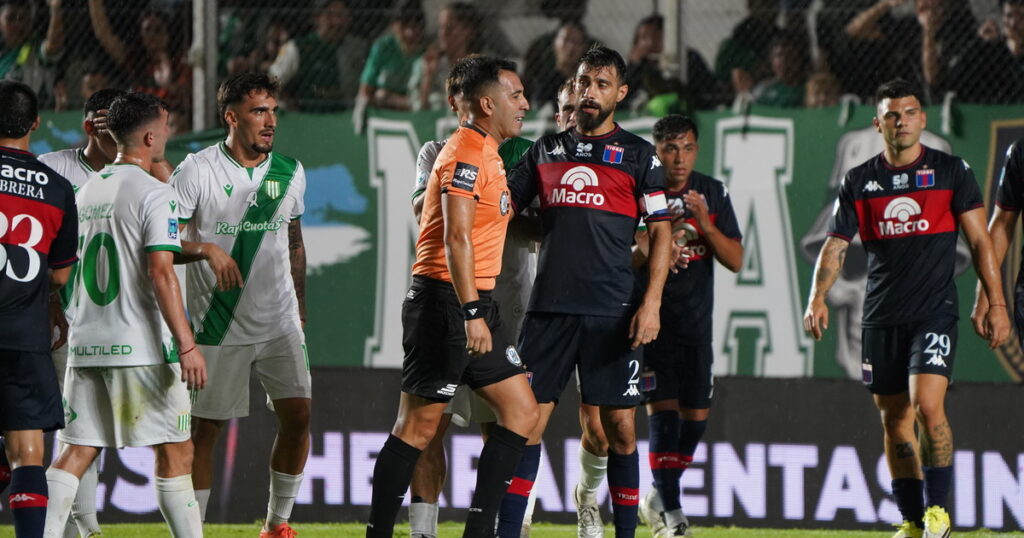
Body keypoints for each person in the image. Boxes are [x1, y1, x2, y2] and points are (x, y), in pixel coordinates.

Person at [803, 78, 1010, 538]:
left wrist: (996, 302)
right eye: (892, 115)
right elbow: (836, 245)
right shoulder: (859, 180)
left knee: (927, 406)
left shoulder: (952, 171)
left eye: (910, 112)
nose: (902, 122)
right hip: (880, 316)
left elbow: (980, 241)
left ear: (923, 118)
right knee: (894, 419)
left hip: (933, 312)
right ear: (878, 124)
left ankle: (939, 513)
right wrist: (817, 297)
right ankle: (912, 521)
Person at [505, 45, 674, 538]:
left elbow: (660, 231)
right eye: (583, 83)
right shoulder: (545, 150)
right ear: (573, 88)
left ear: (620, 93)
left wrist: (652, 303)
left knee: (619, 431)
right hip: (550, 310)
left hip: (613, 312)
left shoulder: (640, 156)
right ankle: (510, 530)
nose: (590, 92)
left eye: (601, 84)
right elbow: (503, 207)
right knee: (525, 424)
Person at [365, 55, 537, 538]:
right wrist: (472, 313)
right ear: (487, 103)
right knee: (416, 429)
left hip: (475, 304)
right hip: (447, 305)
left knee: (522, 411)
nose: (524, 104)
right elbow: (454, 238)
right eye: (515, 96)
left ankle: (479, 532)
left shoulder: (488, 152)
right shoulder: (464, 152)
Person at [42, 91, 206, 538]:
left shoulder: (83, 191)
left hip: (87, 344)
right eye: (167, 127)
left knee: (76, 451)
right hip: (142, 348)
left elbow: (65, 266)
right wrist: (186, 344)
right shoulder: (156, 194)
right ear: (151, 135)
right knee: (175, 450)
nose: (169, 135)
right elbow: (161, 273)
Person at [171, 72, 309, 538]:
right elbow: (161, 242)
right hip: (217, 323)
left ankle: (277, 526)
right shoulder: (197, 170)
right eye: (258, 111)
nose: (270, 121)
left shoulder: (290, 171)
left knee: (299, 417)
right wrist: (207, 250)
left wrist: (301, 310)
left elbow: (294, 242)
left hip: (279, 322)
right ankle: (194, 531)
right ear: (231, 116)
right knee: (204, 432)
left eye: (273, 110)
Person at [634, 115, 743, 538]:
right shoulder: (643, 190)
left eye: (687, 148)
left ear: (697, 149)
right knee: (663, 418)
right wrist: (662, 241)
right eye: (670, 149)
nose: (679, 158)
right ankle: (672, 515)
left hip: (698, 325)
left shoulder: (712, 192)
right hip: (653, 321)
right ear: (657, 150)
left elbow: (735, 260)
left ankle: (659, 496)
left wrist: (705, 224)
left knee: (695, 421)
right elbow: (628, 254)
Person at [37, 87, 124, 538]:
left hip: (104, 325)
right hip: (50, 322)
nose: (122, 133)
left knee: (87, 429)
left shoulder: (135, 175)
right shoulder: (51, 170)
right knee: (51, 428)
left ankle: (81, 529)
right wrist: (50, 303)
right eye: (113, 124)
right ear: (91, 126)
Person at [0, 79, 77, 538]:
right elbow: (62, 275)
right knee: (28, 451)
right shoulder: (56, 187)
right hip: (24, 335)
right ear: (35, 123)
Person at [269, 0, 369, 111]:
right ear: (317, 18)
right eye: (330, 15)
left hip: (347, 116)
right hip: (307, 116)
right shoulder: (296, 48)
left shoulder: (358, 48)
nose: (337, 22)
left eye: (341, 15)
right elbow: (272, 81)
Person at [408, 2, 487, 112]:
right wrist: (428, 77)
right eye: (441, 28)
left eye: (450, 28)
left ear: (468, 32)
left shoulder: (482, 68)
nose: (443, 33)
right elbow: (417, 108)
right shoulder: (427, 63)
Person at [358, 0, 426, 111]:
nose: (410, 33)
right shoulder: (382, 48)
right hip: (383, 109)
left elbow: (424, 99)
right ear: (393, 26)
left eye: (416, 26)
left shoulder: (426, 51)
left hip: (414, 109)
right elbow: (365, 91)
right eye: (404, 25)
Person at [0, 0, 64, 108]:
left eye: (22, 18)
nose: (17, 24)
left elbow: (53, 46)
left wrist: (55, 9)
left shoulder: (35, 48)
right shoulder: (3, 54)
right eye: (10, 19)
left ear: (30, 22)